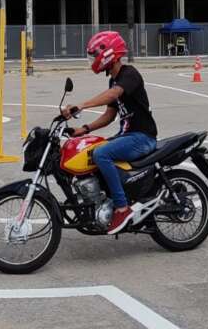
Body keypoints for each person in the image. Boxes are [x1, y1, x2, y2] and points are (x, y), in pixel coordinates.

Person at [60, 31, 158, 235]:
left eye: (95, 54)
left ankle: (122, 209)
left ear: (109, 54)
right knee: (93, 148)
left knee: (101, 154)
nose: (93, 60)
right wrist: (84, 129)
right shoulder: (113, 81)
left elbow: (113, 95)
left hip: (142, 137)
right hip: (127, 136)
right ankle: (109, 200)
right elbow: (110, 115)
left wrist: (82, 105)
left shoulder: (129, 74)